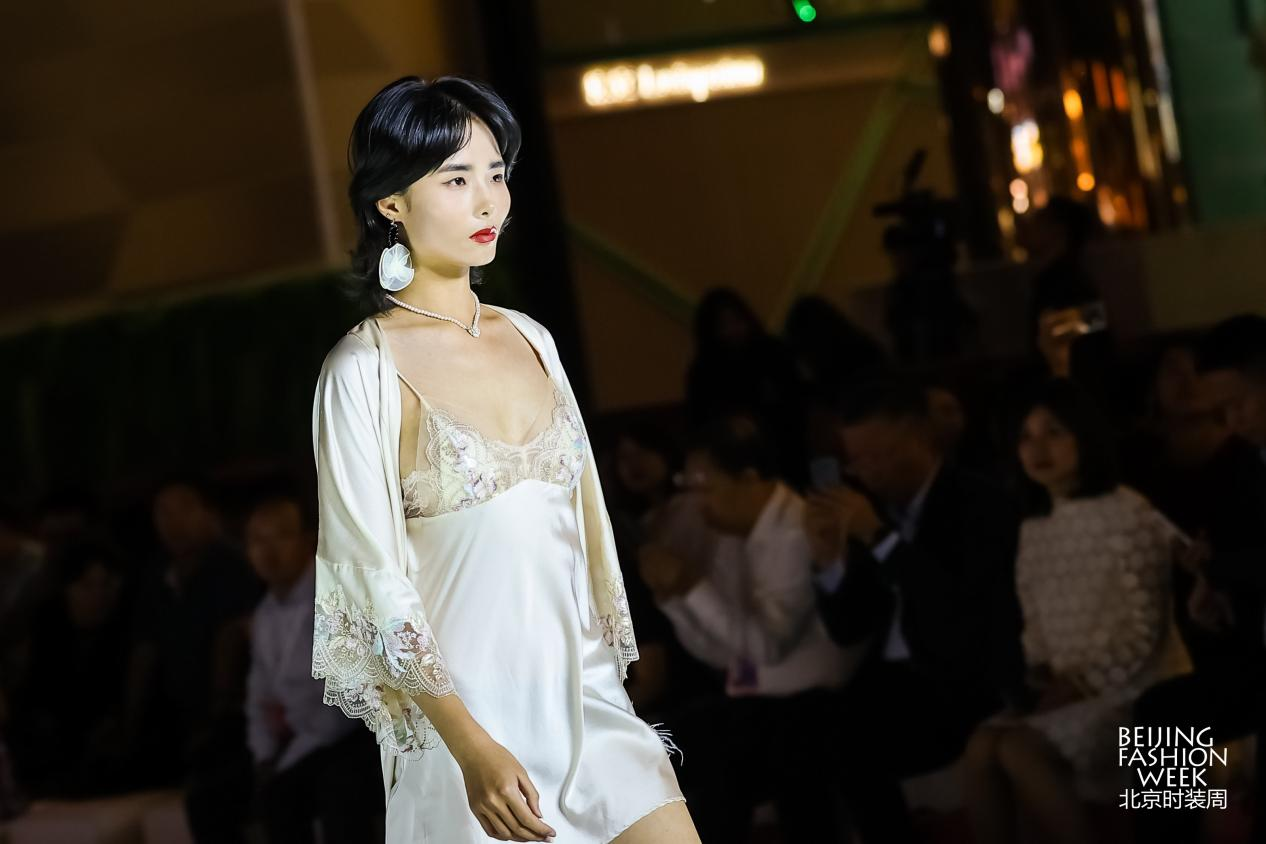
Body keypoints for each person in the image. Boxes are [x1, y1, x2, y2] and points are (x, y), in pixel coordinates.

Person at [312, 75, 697, 844]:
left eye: (496, 174)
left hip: (588, 708)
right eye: (456, 180)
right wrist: (471, 749)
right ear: (391, 202)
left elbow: (584, 533)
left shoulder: (532, 338)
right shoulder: (362, 371)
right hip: (471, 741)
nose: (488, 200)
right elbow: (371, 583)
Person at [963, 379, 1192, 844]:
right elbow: (1034, 619)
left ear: (1085, 435)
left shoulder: (1128, 512)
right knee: (980, 748)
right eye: (1025, 437)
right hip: (1069, 689)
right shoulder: (1034, 526)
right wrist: (1039, 673)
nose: (1038, 449)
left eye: (1054, 432)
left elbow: (1145, 630)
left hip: (1140, 689)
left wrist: (1080, 684)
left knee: (1020, 748)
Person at [804, 378, 1023, 844]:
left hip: (958, 678)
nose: (865, 471)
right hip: (890, 679)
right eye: (855, 459)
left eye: (877, 455)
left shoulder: (979, 503)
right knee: (805, 730)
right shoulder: (872, 510)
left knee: (849, 740)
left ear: (919, 437)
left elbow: (960, 610)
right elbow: (849, 628)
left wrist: (881, 540)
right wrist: (828, 562)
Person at [640, 411, 857, 843]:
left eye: (705, 485)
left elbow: (765, 647)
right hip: (762, 698)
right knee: (673, 744)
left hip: (819, 698)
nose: (697, 501)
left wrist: (691, 587)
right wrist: (675, 597)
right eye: (688, 486)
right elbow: (723, 653)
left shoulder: (795, 529)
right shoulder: (730, 532)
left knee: (733, 755)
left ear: (749, 478)